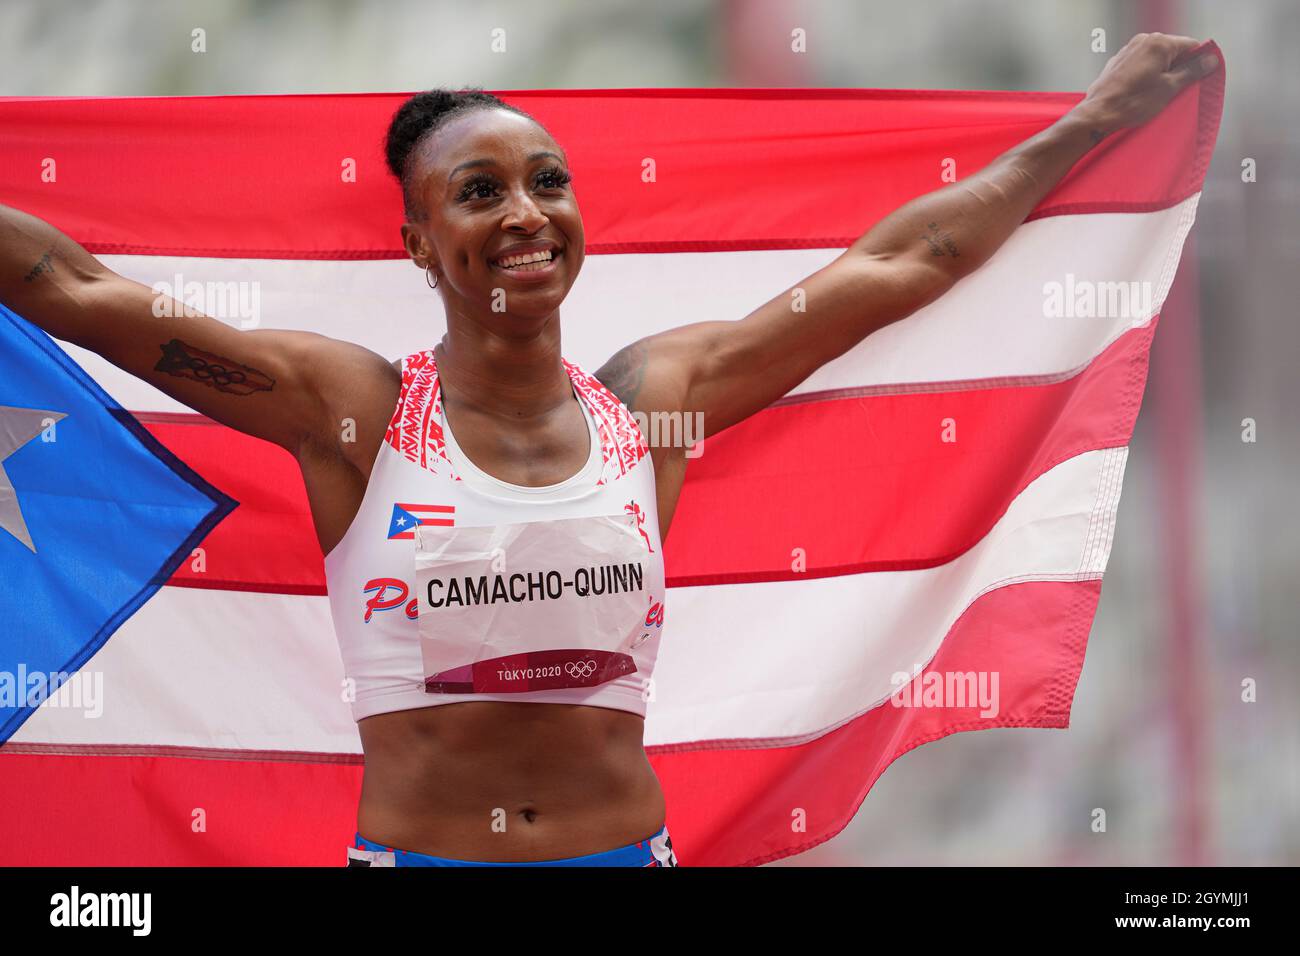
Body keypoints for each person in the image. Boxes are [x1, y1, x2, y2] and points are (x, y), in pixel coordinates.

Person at [0, 33, 1215, 867]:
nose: (525, 213)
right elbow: (80, 290)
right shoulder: (351, 413)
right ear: (419, 243)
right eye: (477, 194)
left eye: (548, 182)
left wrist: (1098, 120)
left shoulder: (658, 399)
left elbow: (901, 266)